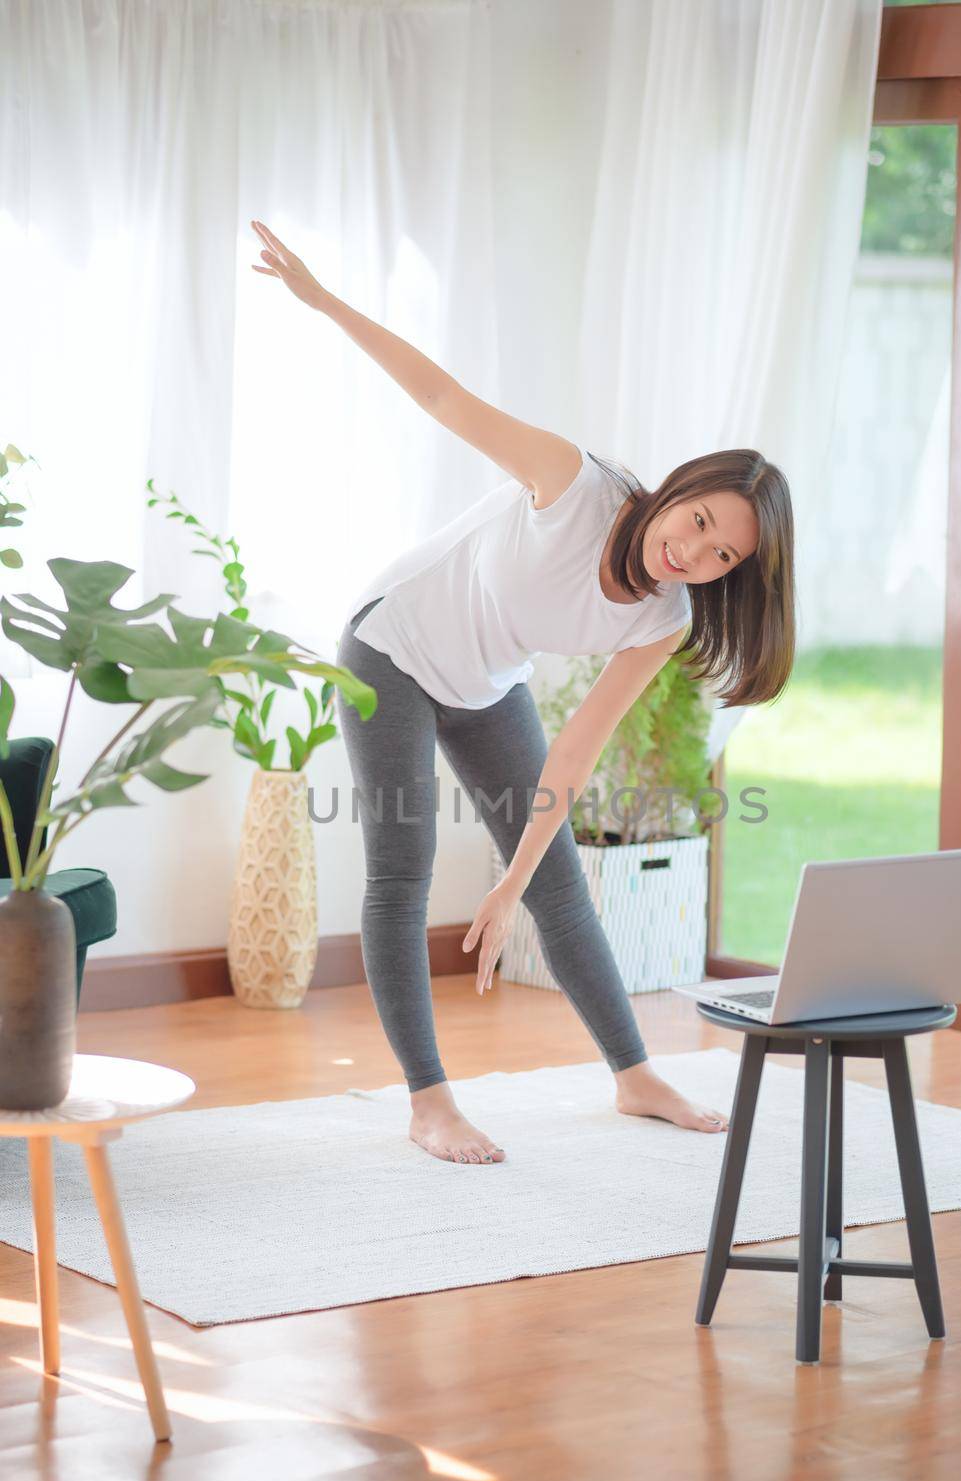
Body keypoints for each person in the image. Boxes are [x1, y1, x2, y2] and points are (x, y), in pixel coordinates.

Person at [251, 219, 796, 1166]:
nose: (694, 551)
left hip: (481, 676)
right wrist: (323, 301)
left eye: (722, 555)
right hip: (391, 646)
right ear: (676, 491)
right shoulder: (571, 484)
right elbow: (439, 393)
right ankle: (428, 1102)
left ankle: (633, 1075)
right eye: (699, 520)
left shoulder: (661, 617)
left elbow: (576, 751)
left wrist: (509, 882)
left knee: (553, 885)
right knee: (402, 871)